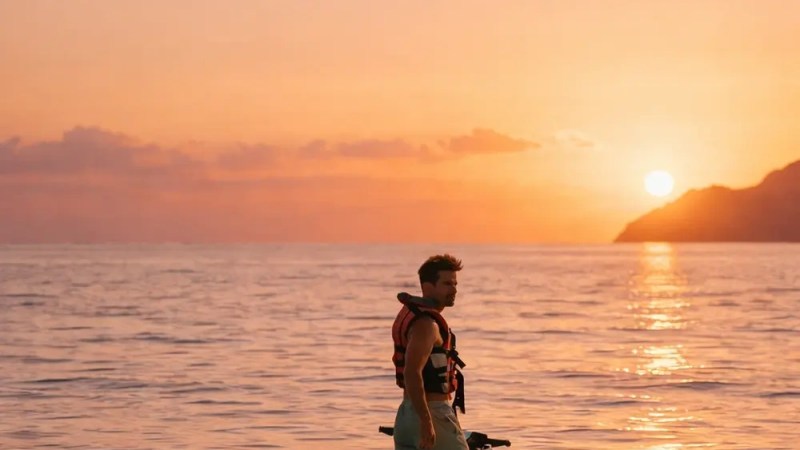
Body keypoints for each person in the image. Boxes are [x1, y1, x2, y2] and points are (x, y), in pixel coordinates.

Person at [391, 254, 469, 450]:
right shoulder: (427, 325)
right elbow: (411, 372)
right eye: (447, 284)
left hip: (406, 415)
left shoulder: (414, 316)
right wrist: (427, 423)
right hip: (432, 413)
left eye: (455, 284)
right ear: (427, 286)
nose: (454, 290)